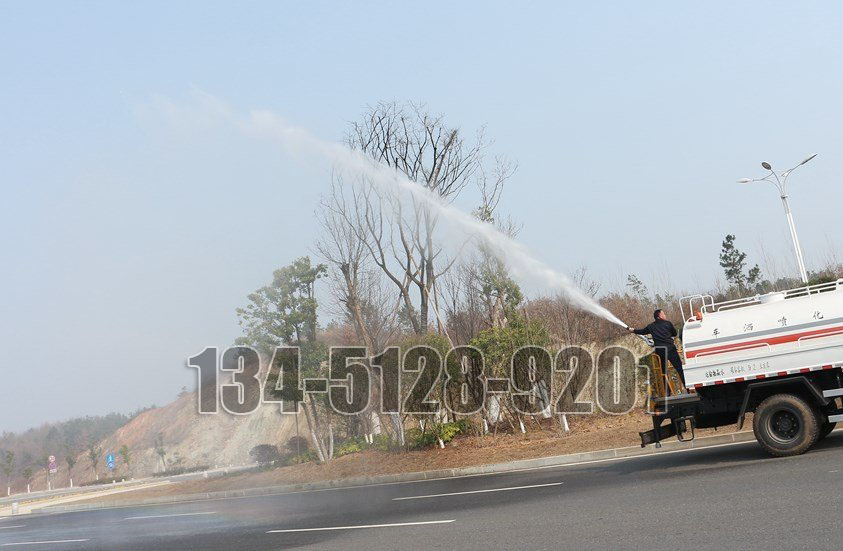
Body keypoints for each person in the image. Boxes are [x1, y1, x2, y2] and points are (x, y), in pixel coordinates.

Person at [629, 309, 685, 393]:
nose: (665, 315)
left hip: (660, 352)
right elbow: (674, 334)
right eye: (664, 314)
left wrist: (633, 330)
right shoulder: (668, 323)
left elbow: (642, 331)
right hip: (671, 350)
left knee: (663, 372)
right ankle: (687, 387)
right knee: (680, 369)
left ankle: (667, 392)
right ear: (659, 316)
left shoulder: (651, 326)